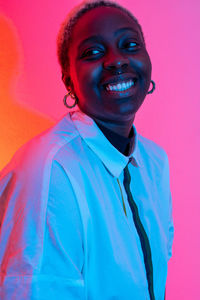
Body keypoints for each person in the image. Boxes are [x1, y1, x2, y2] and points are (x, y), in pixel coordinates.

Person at [0, 0, 174, 299]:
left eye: (130, 45)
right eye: (93, 52)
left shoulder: (153, 161)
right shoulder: (50, 172)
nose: (117, 60)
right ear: (68, 78)